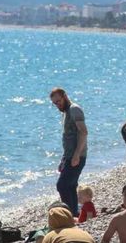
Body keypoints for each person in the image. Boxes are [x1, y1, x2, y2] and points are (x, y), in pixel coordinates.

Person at [50, 88, 88, 217]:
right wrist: (64, 159)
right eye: (55, 103)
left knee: (62, 185)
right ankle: (74, 214)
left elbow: (83, 132)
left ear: (65, 96)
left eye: (58, 101)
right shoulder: (66, 112)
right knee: (71, 185)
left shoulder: (74, 109)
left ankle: (69, 215)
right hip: (70, 156)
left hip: (77, 156)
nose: (57, 105)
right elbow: (69, 138)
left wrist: (77, 155)